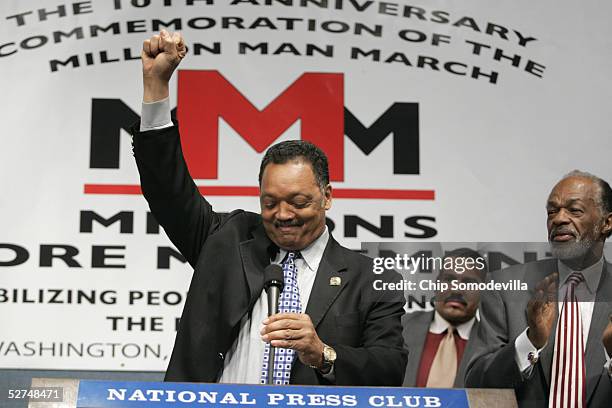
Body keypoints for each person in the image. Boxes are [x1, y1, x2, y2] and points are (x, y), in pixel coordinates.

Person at [131, 30, 406, 385]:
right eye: (270, 202)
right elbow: (168, 190)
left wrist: (324, 354)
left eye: (299, 202)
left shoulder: (372, 279)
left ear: (327, 197)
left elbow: (390, 368)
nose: (283, 214)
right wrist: (156, 86)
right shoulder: (226, 239)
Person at [465, 171, 612, 407]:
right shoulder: (505, 287)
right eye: (552, 211)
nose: (559, 219)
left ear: (606, 223)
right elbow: (476, 384)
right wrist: (529, 341)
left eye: (574, 210)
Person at [402, 248, 487, 387]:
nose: (456, 289)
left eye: (468, 283)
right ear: (436, 284)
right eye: (449, 279)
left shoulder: (492, 343)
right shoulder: (401, 327)